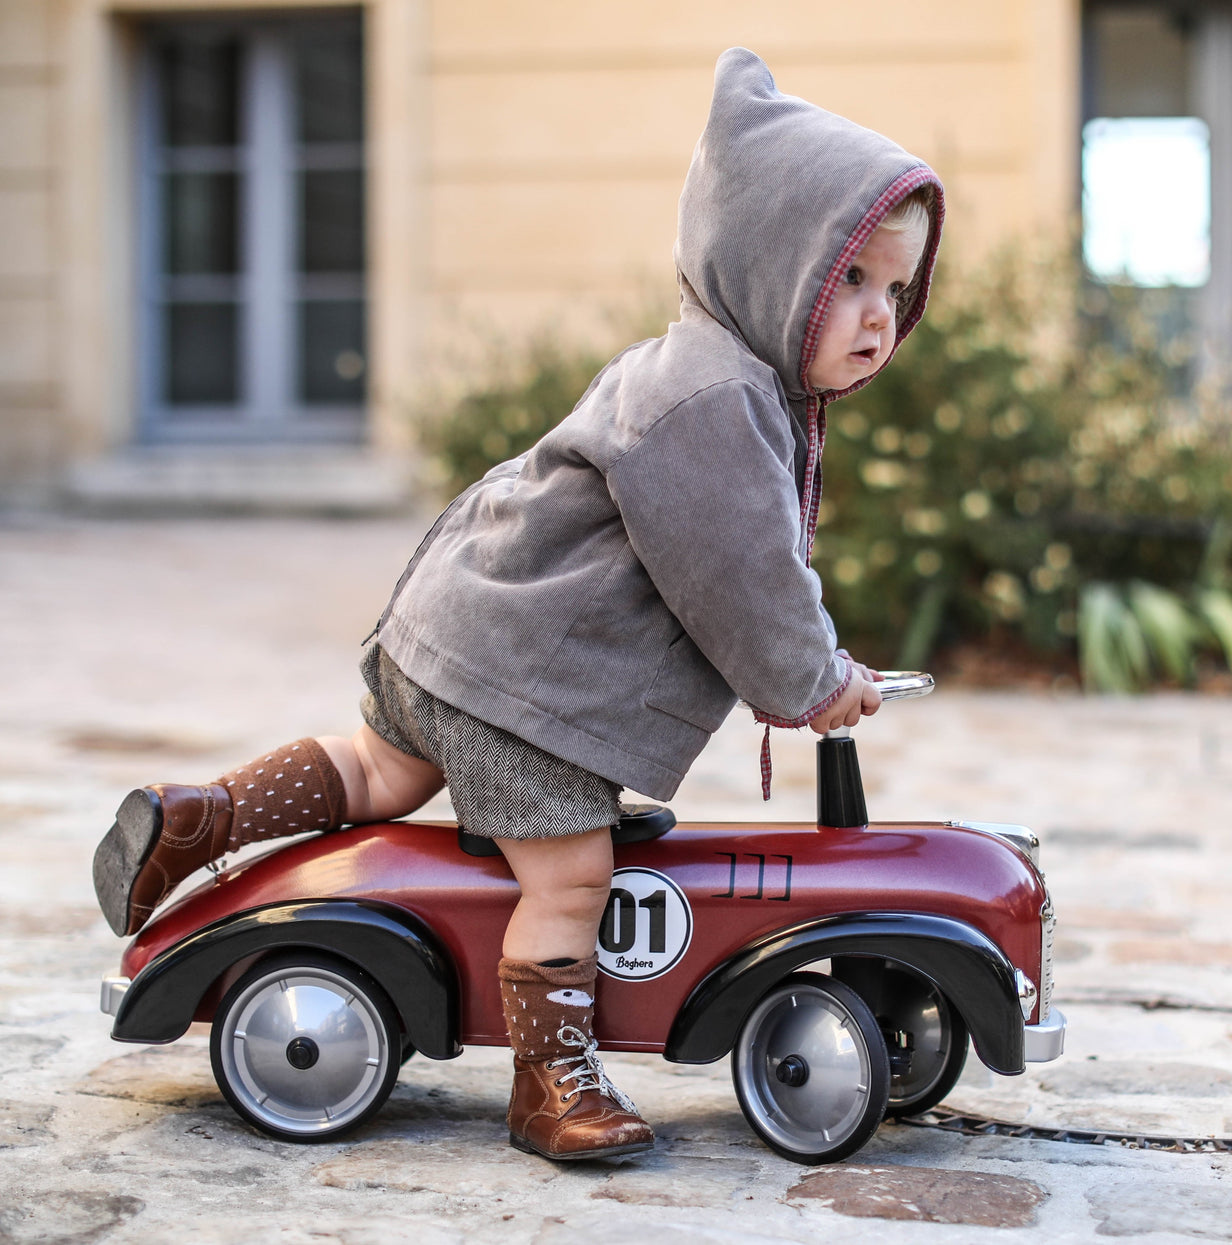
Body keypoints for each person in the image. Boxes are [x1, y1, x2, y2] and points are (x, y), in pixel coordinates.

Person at [92, 47, 943, 1162]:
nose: (881, 318)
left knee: (378, 770)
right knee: (573, 873)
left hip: (456, 630)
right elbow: (746, 580)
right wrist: (816, 682)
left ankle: (201, 818)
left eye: (899, 290)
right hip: (528, 682)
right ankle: (552, 1079)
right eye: (853, 282)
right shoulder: (715, 400)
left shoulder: (709, 375)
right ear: (768, 260)